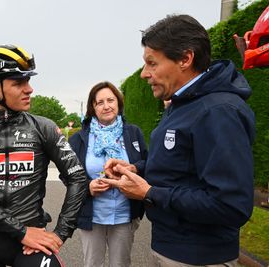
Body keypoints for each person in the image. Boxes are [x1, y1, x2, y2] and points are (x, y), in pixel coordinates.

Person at [102, 14, 255, 266]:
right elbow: (178, 168)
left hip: (198, 256)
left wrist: (149, 193)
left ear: (185, 58)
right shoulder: (183, 105)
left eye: (152, 63)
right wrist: (134, 169)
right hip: (170, 247)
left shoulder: (218, 111)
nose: (144, 74)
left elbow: (231, 205)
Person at [0, 44, 88, 267]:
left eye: (28, 81)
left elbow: (77, 178)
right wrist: (21, 231)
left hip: (33, 239)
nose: (29, 89)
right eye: (19, 83)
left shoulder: (44, 127)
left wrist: (60, 233)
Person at [68, 81, 147, 267]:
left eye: (110, 100)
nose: (106, 106)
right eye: (100, 102)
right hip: (92, 214)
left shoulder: (133, 133)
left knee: (120, 264)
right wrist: (88, 186)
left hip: (124, 213)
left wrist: (133, 168)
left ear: (118, 103)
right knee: (92, 264)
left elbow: (147, 163)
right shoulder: (78, 139)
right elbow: (69, 175)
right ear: (92, 107)